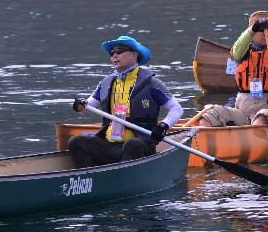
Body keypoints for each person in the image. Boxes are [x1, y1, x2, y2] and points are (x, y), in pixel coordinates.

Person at [69, 35, 183, 168]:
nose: (114, 56)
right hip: (109, 144)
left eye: (119, 51)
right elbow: (87, 111)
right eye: (112, 53)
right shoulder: (106, 82)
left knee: (132, 144)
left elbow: (177, 109)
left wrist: (163, 126)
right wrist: (80, 107)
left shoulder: (151, 83)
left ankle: (127, 179)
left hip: (140, 144)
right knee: (76, 142)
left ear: (134, 55)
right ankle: (87, 177)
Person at [199, 11, 268, 127]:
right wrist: (252, 29)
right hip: (243, 114)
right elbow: (235, 52)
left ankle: (252, 140)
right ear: (252, 33)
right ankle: (205, 143)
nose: (267, 32)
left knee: (259, 121)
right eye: (261, 30)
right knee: (207, 117)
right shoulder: (241, 53)